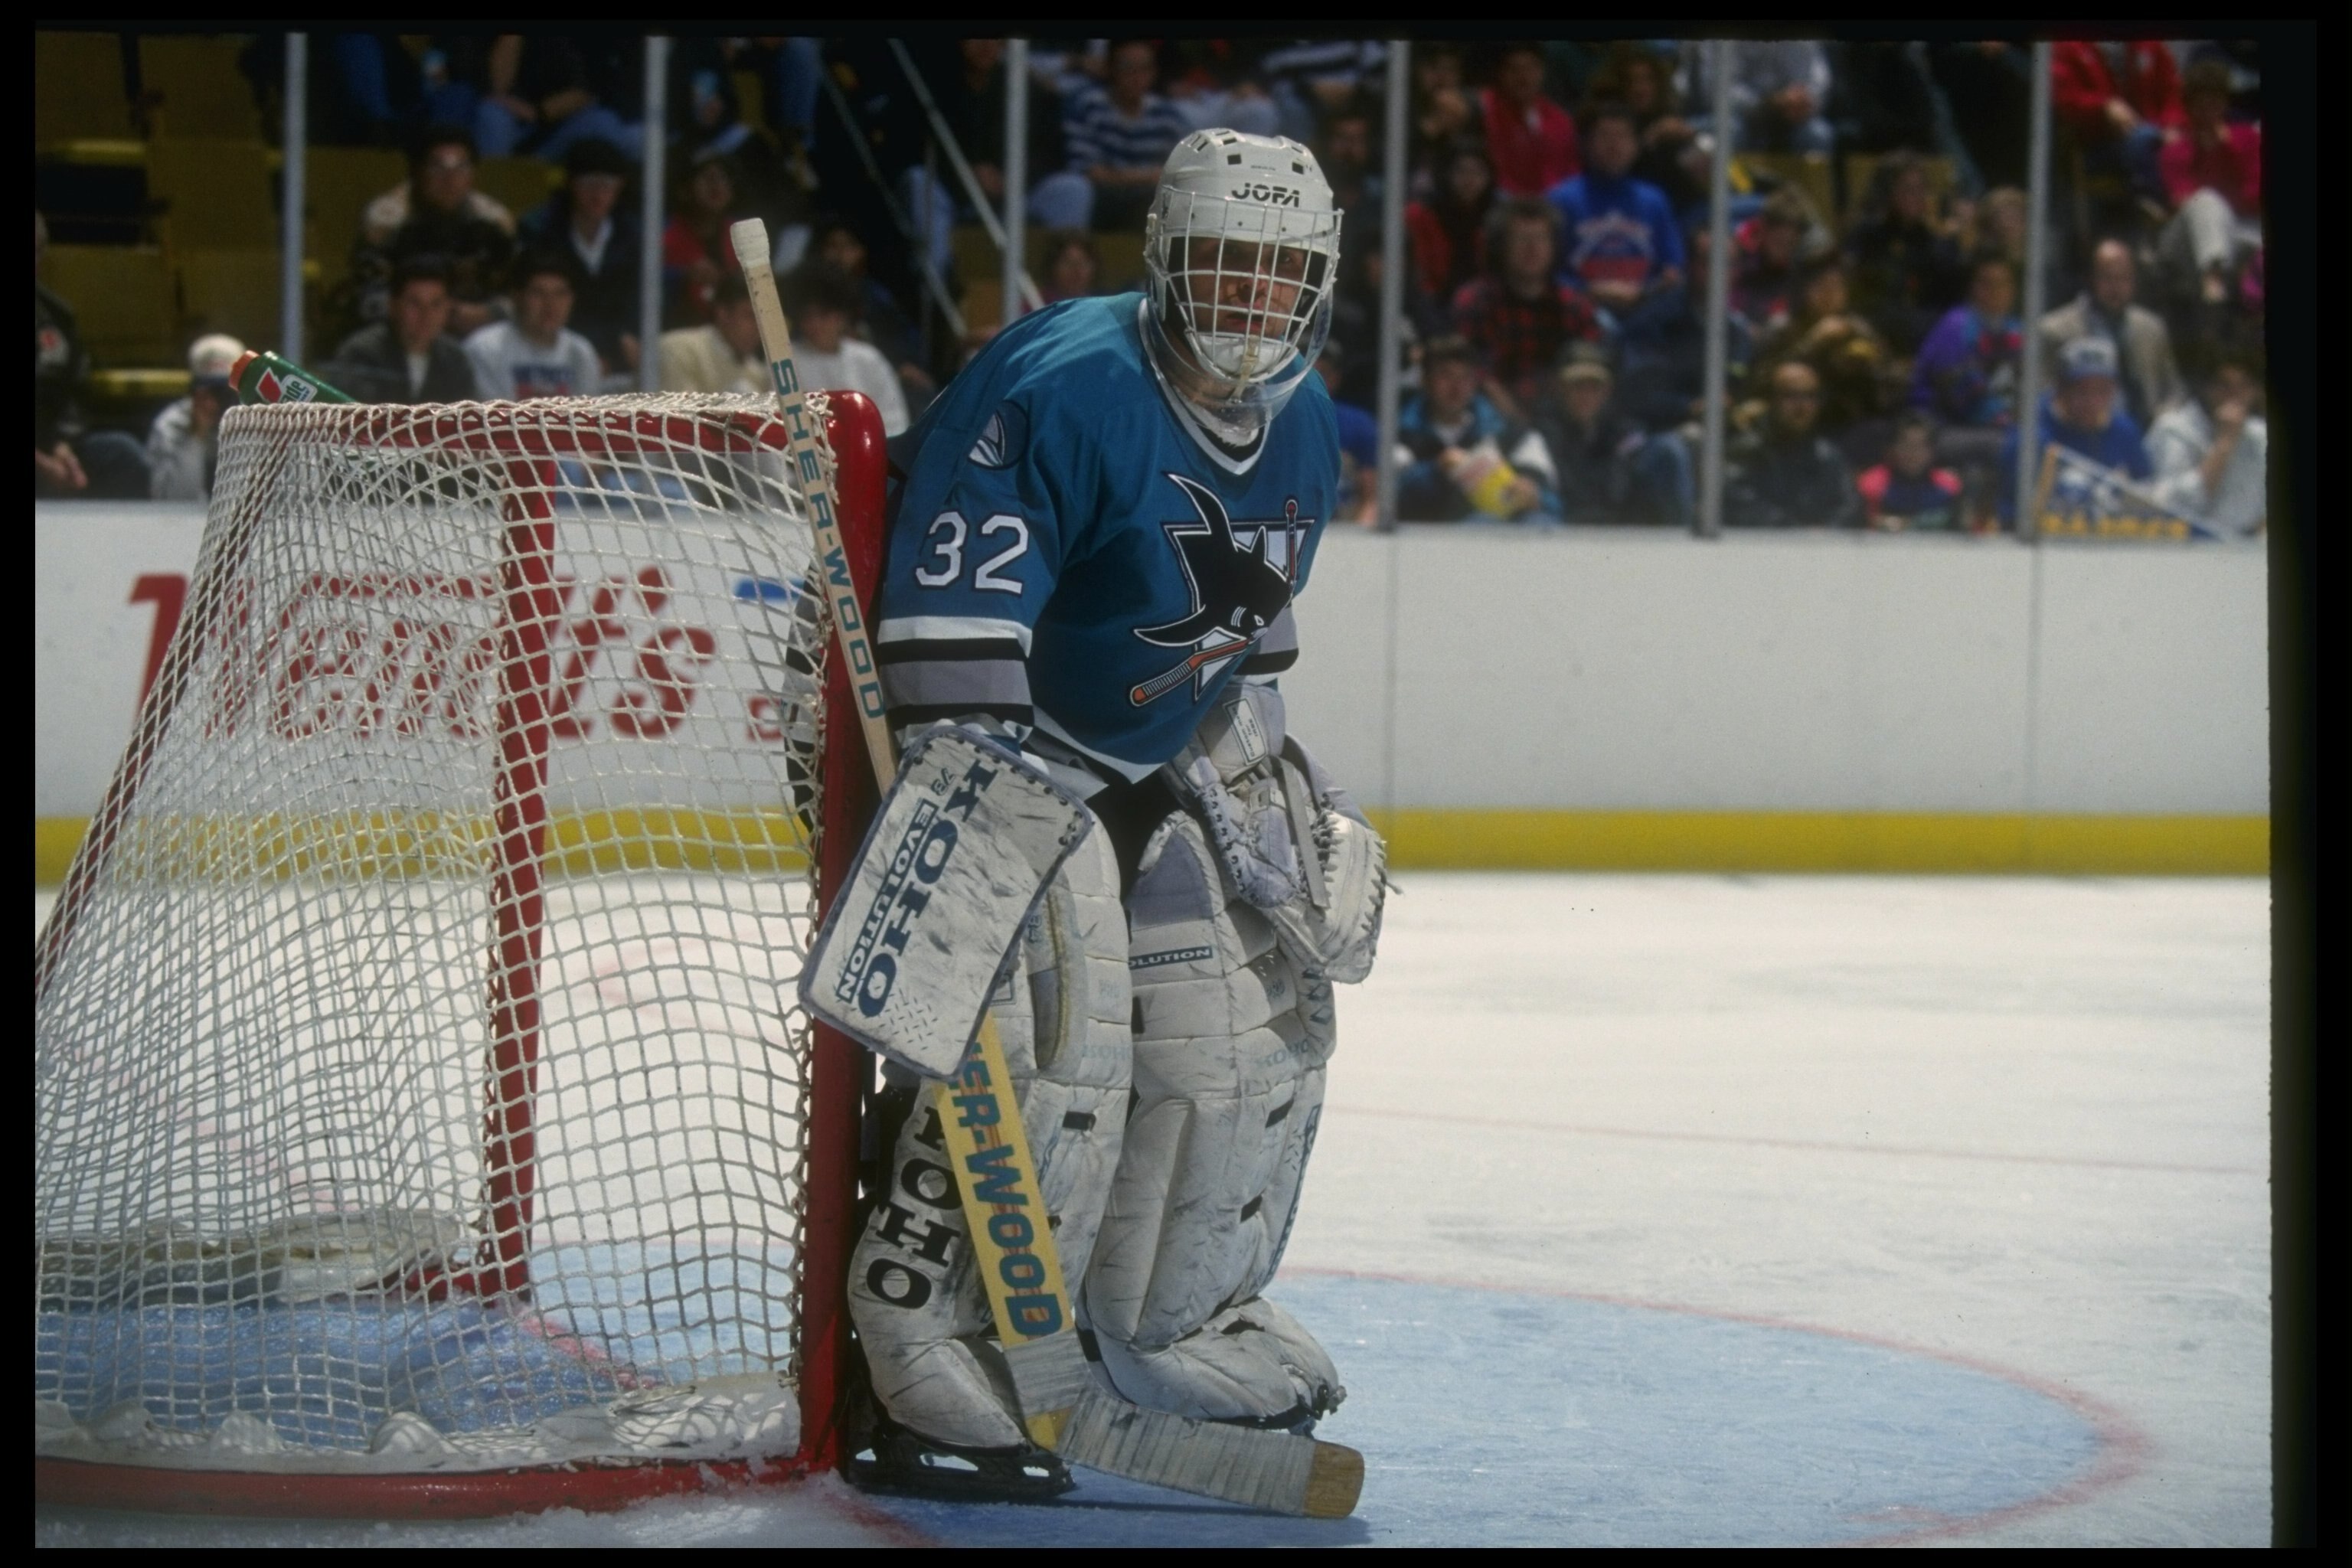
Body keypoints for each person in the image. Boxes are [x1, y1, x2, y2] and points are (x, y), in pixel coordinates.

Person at [848, 129, 1380, 1501]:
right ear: (1166, 259)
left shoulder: (1307, 418)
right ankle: (927, 1341)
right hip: (987, 739)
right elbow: (948, 654)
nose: (1253, 296)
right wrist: (996, 861)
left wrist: (1255, 802)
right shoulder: (1065, 382)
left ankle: (1166, 1319)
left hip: (1143, 752)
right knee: (1052, 1043)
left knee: (1246, 1025)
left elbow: (1244, 646)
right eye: (1225, 262)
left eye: (1281, 270)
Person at [349, 124, 517, 335]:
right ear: (416, 172)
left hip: (477, 331)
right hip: (400, 331)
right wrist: (434, 313)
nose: (450, 179)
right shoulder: (386, 221)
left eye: (461, 167)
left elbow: (523, 296)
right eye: (438, 168)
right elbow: (367, 301)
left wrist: (487, 314)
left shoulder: (494, 222)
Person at [1448, 198, 1602, 415]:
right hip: (1490, 417)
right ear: (1501, 245)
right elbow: (1465, 369)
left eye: (1541, 238)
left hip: (1561, 418)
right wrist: (1515, 419)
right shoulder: (1475, 302)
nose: (1532, 248)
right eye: (1521, 239)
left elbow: (1593, 368)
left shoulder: (1575, 305)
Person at [34, 213, 149, 500]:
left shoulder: (57, 318)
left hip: (52, 444)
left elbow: (76, 393)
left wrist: (63, 447)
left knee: (123, 455)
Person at [1546, 101, 1686, 325]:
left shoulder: (1653, 200)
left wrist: (1654, 288)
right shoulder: (1562, 199)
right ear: (1587, 144)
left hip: (1647, 312)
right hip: (1580, 312)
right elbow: (1547, 271)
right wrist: (1589, 291)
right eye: (1605, 136)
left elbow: (1672, 266)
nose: (1615, 145)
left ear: (1636, 145)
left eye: (1622, 137)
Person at [1395, 334, 1560, 522]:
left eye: (1465, 377)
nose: (1456, 386)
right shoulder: (1398, 435)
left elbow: (1555, 502)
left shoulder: (1512, 435)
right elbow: (1388, 499)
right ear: (1424, 381)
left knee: (1537, 522)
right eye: (1445, 375)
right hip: (1419, 544)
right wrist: (1436, 471)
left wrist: (1535, 495)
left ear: (1474, 383)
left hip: (1500, 542)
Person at [518, 138, 642, 378]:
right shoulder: (540, 230)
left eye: (607, 184)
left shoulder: (635, 235)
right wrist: (600, 348)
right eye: (588, 184)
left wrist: (625, 341)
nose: (598, 194)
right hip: (557, 347)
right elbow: (547, 299)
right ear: (570, 184)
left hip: (623, 355)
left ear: (620, 186)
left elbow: (639, 300)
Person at [1530, 341, 1691, 527]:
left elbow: (1621, 490)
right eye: (1577, 386)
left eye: (1594, 386)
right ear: (1562, 389)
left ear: (1607, 391)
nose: (1586, 395)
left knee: (1668, 448)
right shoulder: (1544, 431)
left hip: (1622, 529)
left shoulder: (1622, 429)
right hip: (1567, 529)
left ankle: (1679, 538)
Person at [1616, 225, 1754, 437]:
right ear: (1690, 265)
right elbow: (1636, 396)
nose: (1720, 272)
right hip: (1658, 432)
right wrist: (1691, 407)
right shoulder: (1655, 320)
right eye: (1709, 261)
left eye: (1728, 263)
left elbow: (1738, 379)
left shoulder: (1737, 330)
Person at [2000, 336, 2154, 526]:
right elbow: (2012, 516)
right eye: (2083, 391)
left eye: (2102, 391)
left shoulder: (2125, 431)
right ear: (2060, 389)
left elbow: (2149, 501)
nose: (2093, 402)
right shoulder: (2032, 437)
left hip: (2114, 544)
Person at [2037, 238, 2182, 432]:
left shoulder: (2151, 328)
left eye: (2124, 279)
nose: (2116, 287)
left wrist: (2163, 417)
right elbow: (2043, 394)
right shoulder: (2054, 330)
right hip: (2082, 431)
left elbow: (2173, 389)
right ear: (2090, 278)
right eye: (2107, 278)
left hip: (2147, 432)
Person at [1750, 254, 1892, 446]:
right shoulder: (1782, 328)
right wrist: (1813, 343)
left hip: (1843, 422)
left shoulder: (1857, 329)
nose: (1829, 294)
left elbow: (1884, 384)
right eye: (1820, 286)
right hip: (1791, 422)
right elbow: (1760, 383)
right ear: (1805, 290)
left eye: (1836, 287)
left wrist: (1865, 368)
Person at [2156, 57, 2262, 312]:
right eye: (2200, 107)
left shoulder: (2246, 139)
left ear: (2224, 104)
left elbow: (2257, 194)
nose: (2207, 113)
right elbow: (2183, 200)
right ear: (2189, 108)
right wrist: (2204, 154)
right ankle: (2213, 278)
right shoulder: (2176, 149)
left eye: (2214, 104)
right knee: (2206, 202)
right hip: (2187, 242)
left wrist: (2226, 150)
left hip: (2241, 233)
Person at [1061, 40, 1193, 232]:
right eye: (1128, 68)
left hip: (1149, 202)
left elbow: (1184, 174)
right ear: (1110, 69)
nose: (1136, 77)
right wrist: (1149, 176)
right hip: (1101, 198)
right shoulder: (1088, 107)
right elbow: (1090, 172)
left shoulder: (1167, 117)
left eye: (1144, 69)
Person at [1843, 150, 1961, 354]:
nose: (1916, 196)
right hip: (1879, 325)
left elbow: (1950, 291)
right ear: (1888, 192)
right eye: (1907, 189)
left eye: (1921, 189)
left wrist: (1943, 237)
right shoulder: (1866, 235)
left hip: (1927, 328)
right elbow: (1858, 293)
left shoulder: (1935, 239)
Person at [324, 256, 485, 404]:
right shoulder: (361, 352)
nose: (426, 315)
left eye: (436, 304)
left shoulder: (455, 360)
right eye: (415, 303)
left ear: (448, 307)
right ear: (393, 305)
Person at [779, 260, 912, 436]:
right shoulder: (787, 360)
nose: (814, 324)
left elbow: (895, 421)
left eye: (823, 315)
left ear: (842, 315)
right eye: (807, 316)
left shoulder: (869, 359)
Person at [2147, 342, 2265, 537]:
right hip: (2189, 546)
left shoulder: (2260, 436)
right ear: (2207, 387)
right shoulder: (2174, 430)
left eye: (2243, 386)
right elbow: (2171, 507)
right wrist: (2225, 443)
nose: (2234, 396)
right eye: (2224, 386)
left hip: (2247, 548)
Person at [1723, 361, 1859, 528]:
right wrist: (1795, 532)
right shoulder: (1745, 451)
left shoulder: (1828, 456)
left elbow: (1850, 508)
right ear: (1772, 400)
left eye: (1810, 396)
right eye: (1791, 395)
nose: (1801, 405)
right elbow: (1738, 504)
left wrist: (1825, 534)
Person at [463, 252, 603, 400]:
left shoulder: (582, 352)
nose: (550, 305)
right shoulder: (485, 348)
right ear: (517, 297)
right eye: (538, 293)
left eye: (560, 294)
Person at [1684, 41, 1835, 155]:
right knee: (1731, 131)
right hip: (1740, 117)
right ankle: (1732, 195)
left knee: (1818, 135)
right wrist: (1765, 105)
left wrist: (1802, 100)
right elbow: (1714, 92)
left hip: (1790, 118)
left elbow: (1817, 84)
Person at [145, 335, 244, 502]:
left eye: (225, 391)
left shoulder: (255, 419)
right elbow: (174, 500)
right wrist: (197, 433)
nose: (217, 401)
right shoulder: (172, 424)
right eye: (211, 390)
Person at [1481, 41, 1579, 198]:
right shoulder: (1484, 110)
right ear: (1500, 73)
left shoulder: (1560, 120)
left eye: (1531, 69)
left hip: (1551, 204)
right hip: (1503, 203)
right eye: (1514, 70)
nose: (1523, 78)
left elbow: (1571, 171)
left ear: (1542, 71)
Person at [1405, 138, 1495, 306]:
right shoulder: (1421, 215)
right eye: (1461, 171)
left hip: (1483, 304)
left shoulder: (1496, 219)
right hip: (1430, 301)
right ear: (1446, 173)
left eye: (1478, 172)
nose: (1470, 179)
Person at [662, 147, 744, 326]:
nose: (717, 185)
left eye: (724, 178)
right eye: (707, 178)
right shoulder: (664, 237)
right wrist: (683, 276)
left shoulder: (742, 234)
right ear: (684, 189)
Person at [656, 271, 765, 396]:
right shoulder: (679, 350)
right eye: (750, 316)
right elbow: (674, 413)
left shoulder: (756, 373)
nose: (759, 327)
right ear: (723, 313)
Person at [1855, 411, 1965, 532]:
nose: (1913, 453)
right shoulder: (1871, 484)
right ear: (1893, 448)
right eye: (1906, 445)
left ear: (1932, 451)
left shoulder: (1950, 486)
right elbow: (1859, 526)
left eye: (1920, 446)